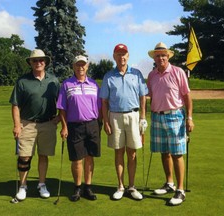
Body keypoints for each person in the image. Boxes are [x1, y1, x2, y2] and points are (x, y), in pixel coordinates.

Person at [147, 42, 194, 206]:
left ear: (168, 57)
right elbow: (150, 96)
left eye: (163, 55)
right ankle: (169, 183)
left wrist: (189, 118)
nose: (160, 58)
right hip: (157, 117)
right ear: (154, 58)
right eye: (158, 55)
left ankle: (180, 190)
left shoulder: (177, 72)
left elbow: (187, 97)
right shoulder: (152, 75)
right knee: (164, 152)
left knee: (176, 153)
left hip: (175, 116)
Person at [9, 49, 60, 201]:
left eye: (41, 60)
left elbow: (62, 103)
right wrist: (17, 125)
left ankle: (41, 184)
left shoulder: (53, 81)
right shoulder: (22, 81)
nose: (38, 63)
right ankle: (23, 186)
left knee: (43, 156)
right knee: (24, 157)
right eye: (35, 61)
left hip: (47, 124)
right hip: (27, 124)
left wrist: (58, 119)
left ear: (45, 62)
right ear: (30, 63)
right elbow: (15, 105)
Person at [100, 44, 148, 200]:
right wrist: (106, 122)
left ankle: (132, 186)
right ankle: (120, 186)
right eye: (118, 54)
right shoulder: (109, 76)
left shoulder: (137, 74)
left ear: (128, 56)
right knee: (118, 151)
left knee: (132, 153)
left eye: (124, 54)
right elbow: (104, 102)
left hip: (134, 116)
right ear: (114, 56)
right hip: (115, 116)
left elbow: (143, 97)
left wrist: (143, 118)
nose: (122, 57)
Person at [57, 55, 102, 202]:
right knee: (77, 159)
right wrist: (64, 126)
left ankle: (88, 187)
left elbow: (100, 107)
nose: (80, 67)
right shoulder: (67, 84)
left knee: (90, 157)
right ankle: (77, 188)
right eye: (78, 65)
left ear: (87, 66)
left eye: (83, 65)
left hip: (92, 124)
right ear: (73, 67)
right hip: (74, 126)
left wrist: (100, 124)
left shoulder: (94, 85)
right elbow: (62, 108)